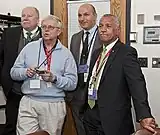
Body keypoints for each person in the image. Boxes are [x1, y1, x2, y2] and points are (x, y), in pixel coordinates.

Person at [83, 14, 157, 135]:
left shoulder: (126, 53)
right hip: (91, 115)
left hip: (113, 119)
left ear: (117, 30)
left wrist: (144, 115)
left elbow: (137, 84)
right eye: (101, 26)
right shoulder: (97, 53)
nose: (103, 29)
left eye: (108, 26)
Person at [10, 15, 77, 135]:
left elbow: (72, 83)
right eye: (44, 27)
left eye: (50, 27)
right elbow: (13, 72)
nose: (46, 30)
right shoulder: (29, 48)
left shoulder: (66, 54)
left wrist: (54, 78)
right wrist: (25, 72)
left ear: (59, 31)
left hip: (53, 105)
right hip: (29, 101)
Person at [0, 7, 41, 135]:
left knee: (36, 128)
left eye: (30, 16)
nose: (25, 18)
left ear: (38, 20)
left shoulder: (46, 34)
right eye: (23, 15)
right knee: (11, 125)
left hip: (38, 92)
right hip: (14, 90)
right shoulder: (9, 34)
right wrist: (4, 81)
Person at [66, 3, 101, 135]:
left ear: (95, 16)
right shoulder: (75, 38)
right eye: (79, 15)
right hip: (77, 91)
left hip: (96, 91)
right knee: (80, 127)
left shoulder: (103, 36)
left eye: (86, 14)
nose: (82, 18)